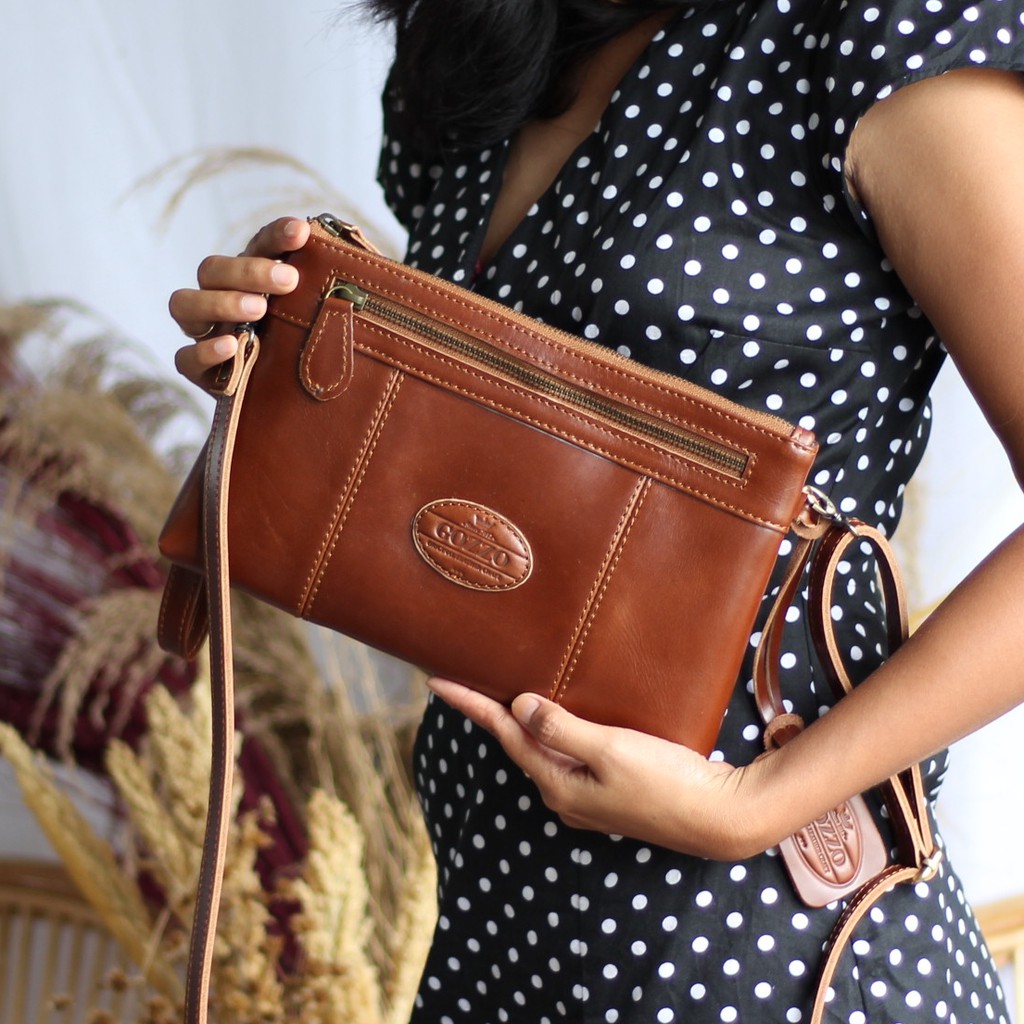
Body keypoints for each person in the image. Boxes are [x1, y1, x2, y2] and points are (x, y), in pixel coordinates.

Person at [169, 1, 1024, 1020]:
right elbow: (502, 443)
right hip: (495, 933)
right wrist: (287, 350)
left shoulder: (871, 29)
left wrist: (754, 804)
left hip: (772, 945)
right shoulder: (484, 44)